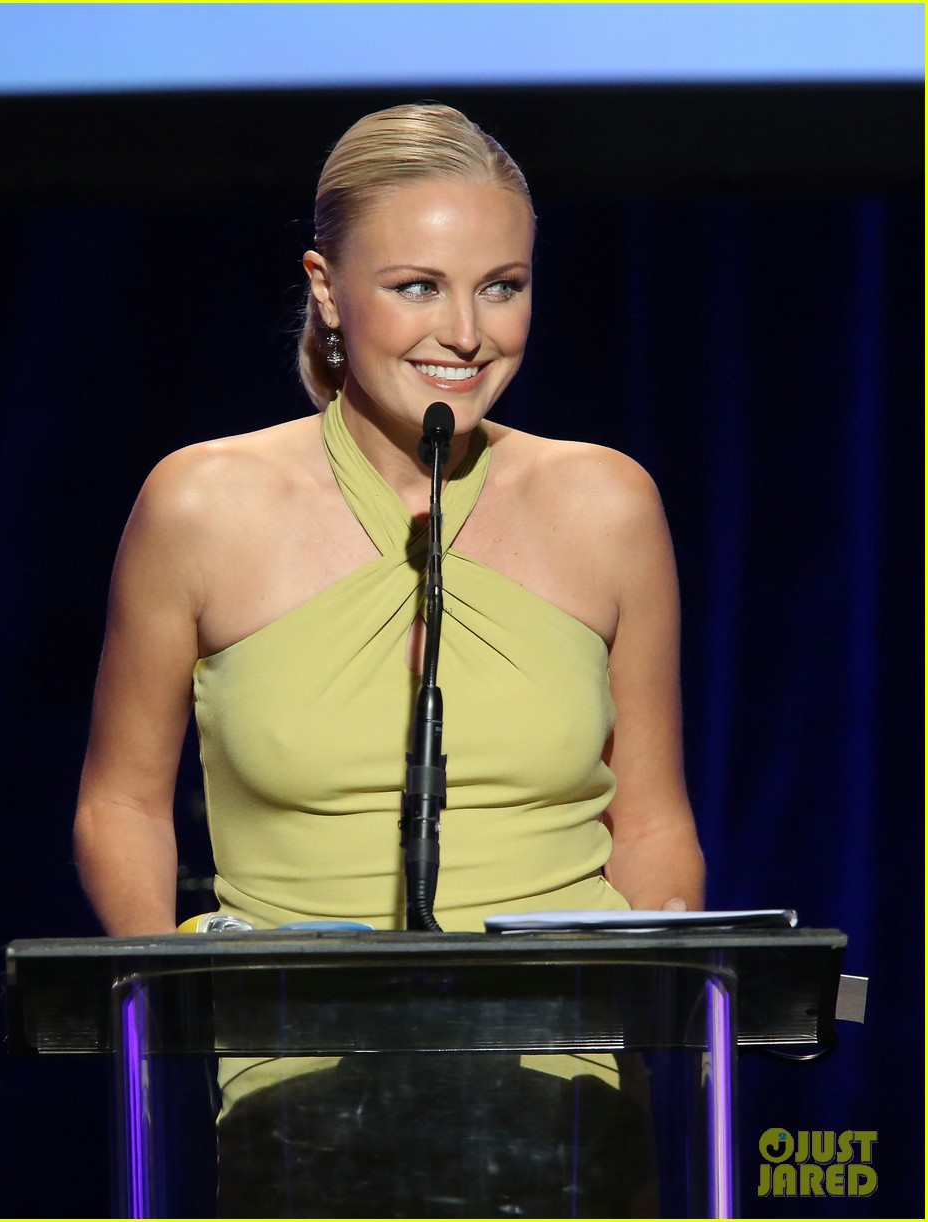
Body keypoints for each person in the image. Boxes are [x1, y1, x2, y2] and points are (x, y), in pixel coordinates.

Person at [73, 103, 704, 1217]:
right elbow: (120, 802)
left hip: (569, 1106)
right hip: (296, 1100)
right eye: (417, 285)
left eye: (501, 285)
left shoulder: (605, 503)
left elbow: (650, 819)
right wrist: (181, 1012)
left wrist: (648, 1027)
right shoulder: (203, 504)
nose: (465, 331)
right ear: (325, 287)